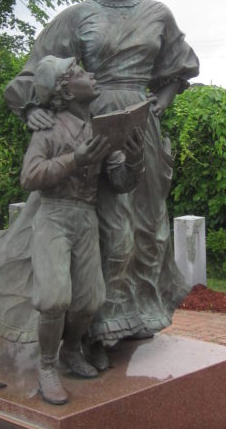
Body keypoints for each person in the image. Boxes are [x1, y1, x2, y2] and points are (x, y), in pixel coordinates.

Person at [4, 0, 199, 368]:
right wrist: (32, 107)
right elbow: (35, 72)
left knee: (145, 230)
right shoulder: (79, 16)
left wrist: (162, 102)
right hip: (92, 129)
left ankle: (133, 317)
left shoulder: (157, 15)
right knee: (105, 233)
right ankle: (89, 330)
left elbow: (179, 69)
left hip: (140, 131)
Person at [20, 54, 143, 404]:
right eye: (80, 73)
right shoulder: (49, 128)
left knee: (90, 299)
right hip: (54, 215)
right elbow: (29, 176)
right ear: (65, 89)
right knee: (55, 296)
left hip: (86, 216)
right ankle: (46, 366)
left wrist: (133, 159)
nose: (91, 75)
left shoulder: (100, 130)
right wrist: (76, 159)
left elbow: (120, 181)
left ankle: (71, 349)